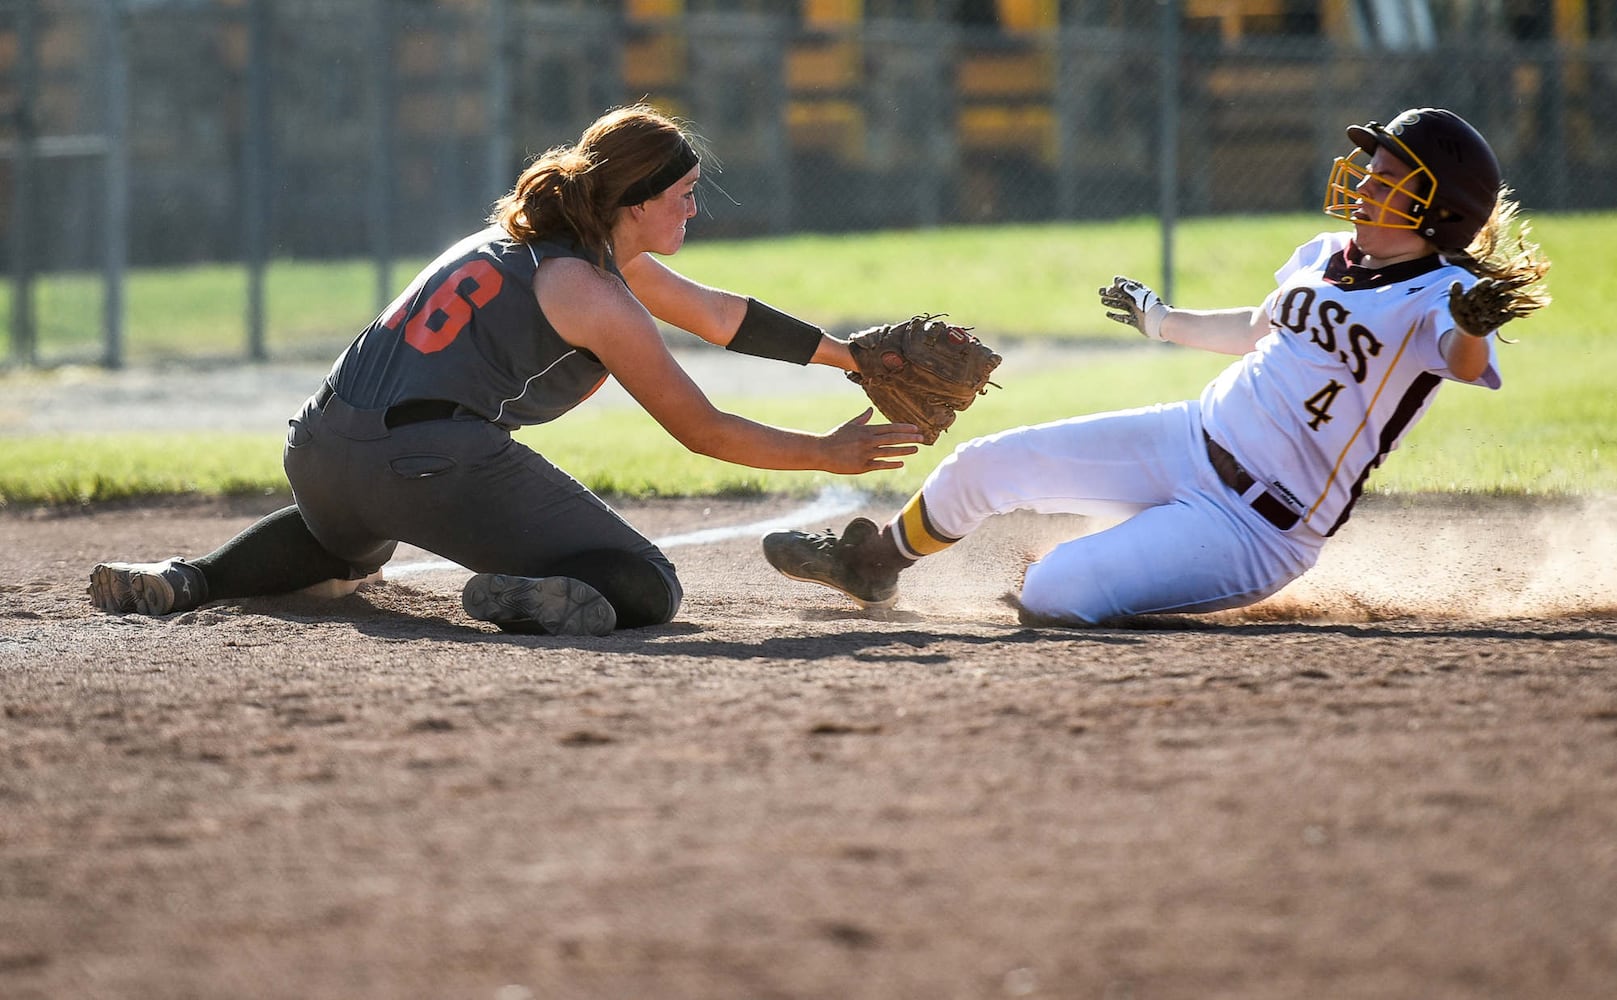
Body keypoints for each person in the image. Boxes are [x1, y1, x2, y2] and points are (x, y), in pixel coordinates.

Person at [88, 104, 923, 635]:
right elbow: (700, 431)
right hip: (427, 462)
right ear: (636, 205)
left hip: (318, 446)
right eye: (684, 194)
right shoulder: (591, 291)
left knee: (345, 539)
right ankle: (527, 599)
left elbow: (715, 314)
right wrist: (829, 452)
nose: (694, 209)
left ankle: (186, 578)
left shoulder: (526, 244)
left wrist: (847, 356)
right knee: (647, 586)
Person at [763, 107, 1550, 625]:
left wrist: (1472, 324)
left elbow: (1454, 358)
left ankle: (1132, 563)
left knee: (1056, 593)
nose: (1367, 180)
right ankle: (870, 566)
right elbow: (1257, 328)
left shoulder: (1443, 296)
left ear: (1437, 206)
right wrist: (1161, 319)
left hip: (1255, 524)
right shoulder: (1323, 255)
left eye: (1390, 175)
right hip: (1186, 436)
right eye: (1372, 167)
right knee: (979, 467)